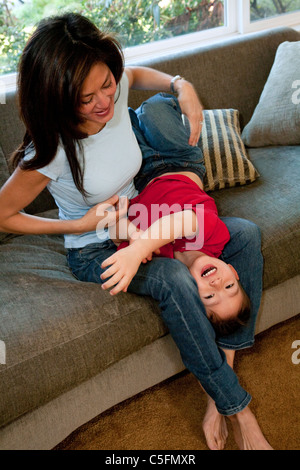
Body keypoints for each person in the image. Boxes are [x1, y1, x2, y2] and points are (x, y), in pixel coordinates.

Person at [0, 13, 272, 450]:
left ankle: (226, 360)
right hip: (96, 244)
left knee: (245, 235)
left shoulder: (113, 84)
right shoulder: (49, 150)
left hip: (145, 213)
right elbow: (3, 214)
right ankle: (237, 409)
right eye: (85, 98)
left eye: (107, 85)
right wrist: (78, 223)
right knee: (174, 278)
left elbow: (137, 75)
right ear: (56, 97)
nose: (104, 102)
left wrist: (180, 85)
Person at [100, 94, 251, 336]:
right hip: (181, 161)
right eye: (230, 286)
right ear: (233, 271)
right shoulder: (214, 238)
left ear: (191, 293)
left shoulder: (161, 259)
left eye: (211, 296)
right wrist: (139, 248)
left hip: (139, 174)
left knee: (113, 119)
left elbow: (112, 226)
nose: (217, 284)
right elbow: (179, 221)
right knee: (153, 108)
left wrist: (132, 235)